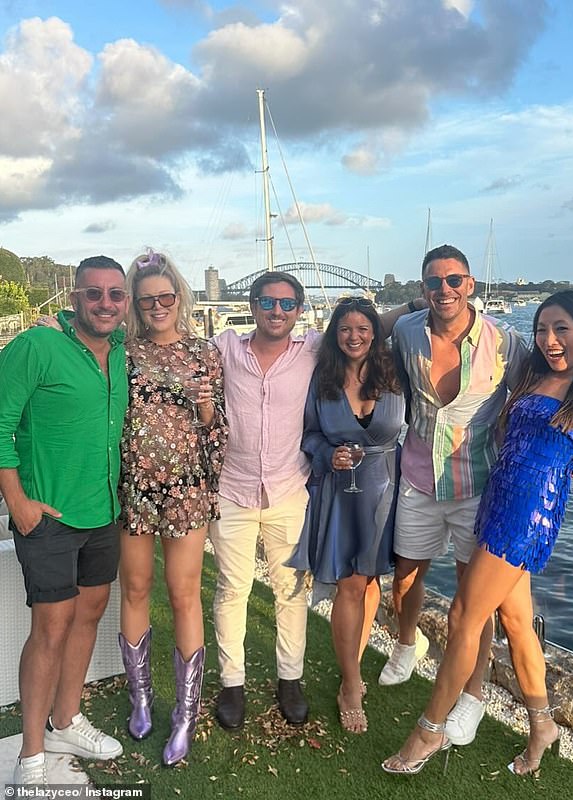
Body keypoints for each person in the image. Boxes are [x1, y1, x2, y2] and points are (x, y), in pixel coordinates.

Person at [382, 290, 573, 776]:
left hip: (526, 519)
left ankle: (428, 731)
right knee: (517, 625)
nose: (550, 340)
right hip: (496, 503)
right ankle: (543, 727)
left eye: (563, 329)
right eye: (542, 330)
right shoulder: (535, 376)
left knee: (462, 617)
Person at [209, 271, 420, 731]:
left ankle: (290, 679)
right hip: (235, 490)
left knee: (290, 591)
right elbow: (175, 349)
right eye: (267, 303)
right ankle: (232, 683)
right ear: (252, 305)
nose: (277, 312)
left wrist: (429, 295)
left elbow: (367, 326)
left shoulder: (311, 351)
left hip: (290, 490)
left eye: (287, 305)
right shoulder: (226, 347)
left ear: (300, 311)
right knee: (232, 590)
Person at [378, 244, 528, 747]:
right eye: (434, 282)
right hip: (419, 478)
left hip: (478, 487)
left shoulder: (505, 342)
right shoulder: (405, 331)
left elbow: (545, 391)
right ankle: (407, 641)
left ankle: (474, 694)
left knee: (473, 599)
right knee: (404, 578)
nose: (445, 289)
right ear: (422, 288)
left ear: (471, 285)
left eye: (455, 280)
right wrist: (399, 306)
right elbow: (362, 329)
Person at [0, 256, 129, 786]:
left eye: (115, 294)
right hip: (49, 513)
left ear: (125, 303)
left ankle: (65, 719)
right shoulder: (36, 346)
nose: (105, 303)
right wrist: (17, 501)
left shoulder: (122, 353)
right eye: (94, 293)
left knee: (89, 614)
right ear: (74, 297)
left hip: (104, 510)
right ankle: (31, 753)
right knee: (49, 629)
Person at [116, 250, 228, 766]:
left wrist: (204, 406)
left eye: (166, 296)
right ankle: (141, 696)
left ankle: (185, 713)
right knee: (136, 588)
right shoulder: (123, 350)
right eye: (148, 299)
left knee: (184, 596)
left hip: (187, 490)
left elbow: (217, 429)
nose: (158, 305)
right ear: (137, 305)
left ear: (179, 296)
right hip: (135, 488)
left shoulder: (205, 352)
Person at [288, 298, 405, 733]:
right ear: (334, 334)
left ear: (375, 332)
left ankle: (351, 661)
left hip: (387, 490)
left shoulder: (394, 372)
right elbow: (308, 433)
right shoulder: (322, 378)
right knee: (350, 585)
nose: (354, 336)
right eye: (344, 329)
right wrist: (325, 453)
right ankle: (351, 684)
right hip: (340, 492)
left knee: (371, 579)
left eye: (363, 328)